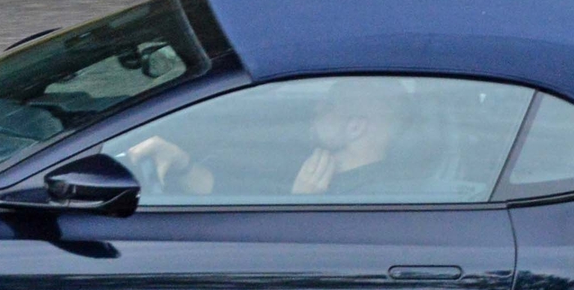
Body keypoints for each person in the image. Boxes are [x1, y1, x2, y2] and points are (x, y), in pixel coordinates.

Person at [117, 79, 409, 201]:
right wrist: (182, 164)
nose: (316, 108)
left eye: (329, 104)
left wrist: (303, 206)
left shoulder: (376, 195)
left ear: (355, 127)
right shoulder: (315, 168)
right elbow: (232, 195)